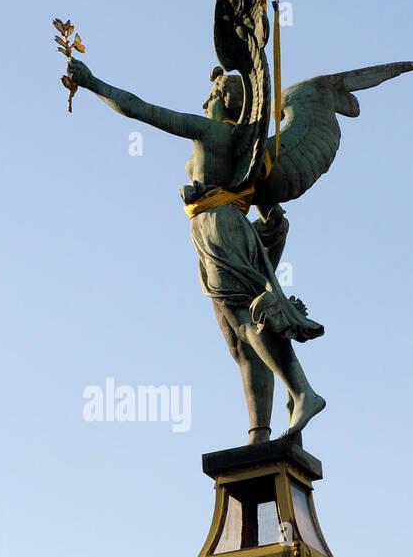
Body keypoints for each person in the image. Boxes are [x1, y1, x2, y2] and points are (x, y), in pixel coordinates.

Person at [67, 57, 324, 443]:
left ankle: (304, 392)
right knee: (240, 341)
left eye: (210, 94)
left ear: (222, 98)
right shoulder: (237, 144)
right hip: (215, 230)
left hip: (221, 227)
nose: (205, 100)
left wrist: (92, 83)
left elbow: (141, 109)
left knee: (246, 321)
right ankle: (261, 430)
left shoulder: (211, 132)